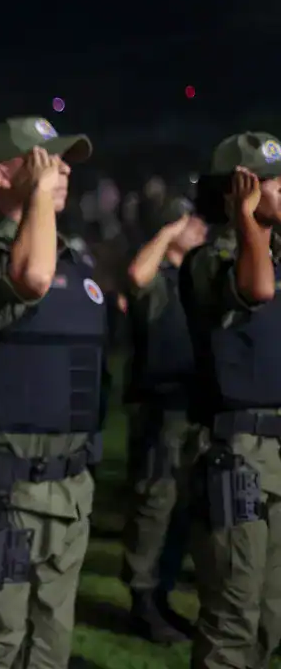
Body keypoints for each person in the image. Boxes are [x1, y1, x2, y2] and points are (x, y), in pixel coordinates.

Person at [0, 117, 101, 668]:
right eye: (46, 161)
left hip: (69, 490)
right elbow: (28, 278)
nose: (63, 171)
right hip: (3, 492)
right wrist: (34, 202)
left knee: (50, 647)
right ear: (6, 172)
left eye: (64, 162)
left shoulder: (77, 264)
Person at [180, 132, 281, 668]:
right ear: (238, 189)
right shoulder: (209, 260)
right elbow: (256, 289)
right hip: (234, 454)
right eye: (272, 182)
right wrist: (246, 221)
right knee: (232, 618)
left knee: (271, 620)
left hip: (276, 454)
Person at [121, 197, 207, 644]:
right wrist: (169, 232)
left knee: (183, 509)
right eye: (190, 222)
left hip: (193, 405)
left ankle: (163, 592)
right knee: (155, 503)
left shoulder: (195, 278)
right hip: (161, 407)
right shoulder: (158, 278)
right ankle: (142, 598)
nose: (200, 228)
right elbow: (135, 277)